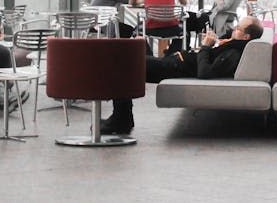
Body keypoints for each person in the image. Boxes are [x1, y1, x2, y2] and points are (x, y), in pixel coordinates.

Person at [101, 16, 265, 135]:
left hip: (172, 67)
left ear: (246, 37)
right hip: (173, 62)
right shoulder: (234, 46)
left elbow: (204, 73)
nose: (233, 29)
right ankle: (122, 117)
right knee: (134, 47)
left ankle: (121, 119)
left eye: (238, 28)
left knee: (123, 62)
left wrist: (205, 47)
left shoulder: (234, 53)